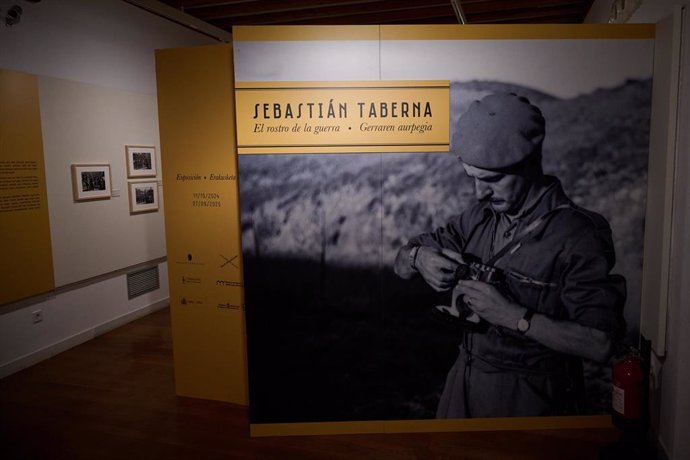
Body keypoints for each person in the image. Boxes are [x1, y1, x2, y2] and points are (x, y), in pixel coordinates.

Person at [394, 93, 626, 418]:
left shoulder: (578, 234)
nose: (480, 193)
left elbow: (601, 343)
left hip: (531, 401)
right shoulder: (479, 216)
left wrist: (514, 316)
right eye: (472, 179)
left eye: (492, 180)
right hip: (463, 386)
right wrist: (419, 257)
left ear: (531, 162)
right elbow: (401, 263)